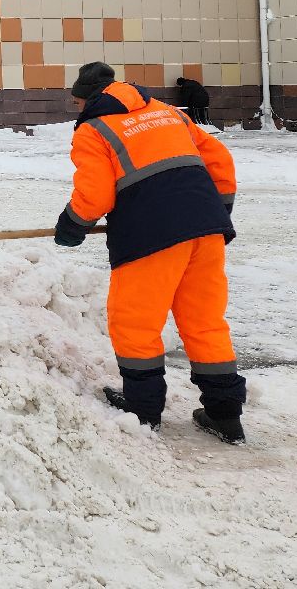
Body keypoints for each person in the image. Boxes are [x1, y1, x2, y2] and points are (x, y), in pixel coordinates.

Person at [55, 62, 246, 444]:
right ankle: (225, 414)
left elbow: (95, 196)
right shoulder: (168, 113)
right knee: (205, 321)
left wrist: (72, 226)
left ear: (90, 98)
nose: (76, 109)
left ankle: (142, 410)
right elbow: (220, 160)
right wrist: (213, 210)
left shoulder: (94, 129)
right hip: (206, 228)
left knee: (135, 321)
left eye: (77, 102)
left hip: (151, 235)